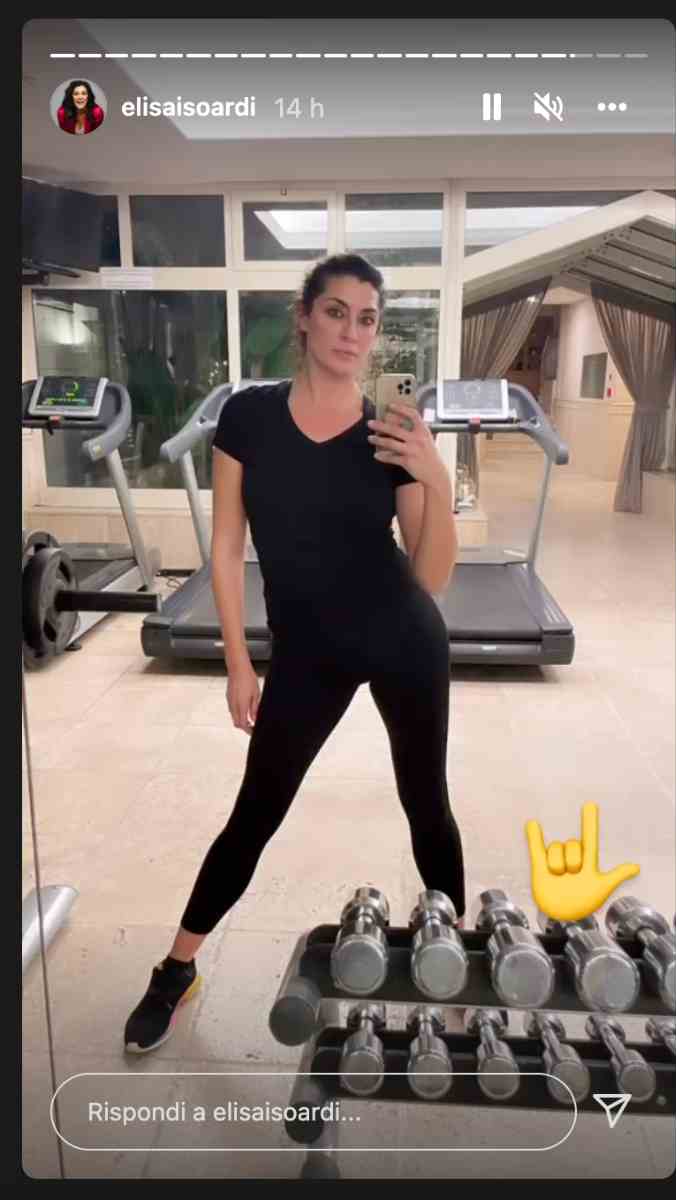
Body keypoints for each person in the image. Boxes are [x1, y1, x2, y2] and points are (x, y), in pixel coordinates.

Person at [124, 253, 465, 1053]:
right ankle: (177, 969)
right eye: (336, 311)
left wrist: (433, 479)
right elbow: (225, 546)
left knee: (426, 804)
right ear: (305, 317)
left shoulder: (390, 430)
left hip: (403, 635)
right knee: (256, 810)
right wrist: (239, 662)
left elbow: (429, 579)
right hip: (307, 650)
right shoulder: (247, 416)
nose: (352, 331)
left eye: (367, 318)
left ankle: (455, 966)